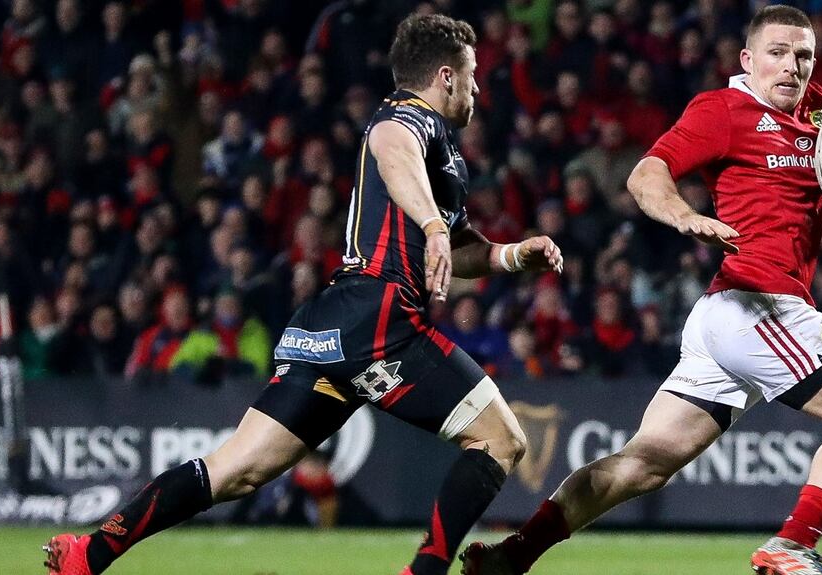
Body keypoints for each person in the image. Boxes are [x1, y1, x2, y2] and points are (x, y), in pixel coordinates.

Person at [44, 14, 563, 575]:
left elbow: (457, 248)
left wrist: (509, 255)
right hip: (380, 318)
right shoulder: (407, 118)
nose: (478, 88)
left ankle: (89, 553)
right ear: (445, 76)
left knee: (234, 470)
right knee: (501, 440)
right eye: (472, 76)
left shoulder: (442, 156)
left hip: (334, 324)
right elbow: (393, 151)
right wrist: (435, 228)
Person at [461, 6, 822, 575]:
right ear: (748, 59)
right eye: (777, 52)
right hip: (758, 302)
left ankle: (512, 556)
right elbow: (646, 175)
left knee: (644, 464)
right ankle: (792, 543)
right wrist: (683, 216)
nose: (792, 66)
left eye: (803, 55)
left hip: (727, 317)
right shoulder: (723, 110)